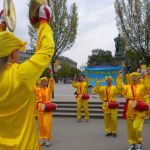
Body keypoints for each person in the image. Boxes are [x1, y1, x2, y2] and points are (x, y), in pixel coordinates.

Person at [0, 5, 54, 150]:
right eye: (18, 51)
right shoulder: (21, 74)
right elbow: (47, 50)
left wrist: (1, 26)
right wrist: (43, 23)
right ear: (12, 54)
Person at [116, 72, 150, 150]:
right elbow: (120, 87)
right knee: (130, 128)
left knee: (136, 127)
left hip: (140, 108)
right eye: (132, 77)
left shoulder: (142, 87)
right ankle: (132, 143)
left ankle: (138, 142)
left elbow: (147, 86)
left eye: (136, 77)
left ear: (138, 79)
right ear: (130, 79)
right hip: (130, 108)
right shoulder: (127, 87)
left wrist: (146, 76)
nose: (134, 78)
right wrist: (119, 77)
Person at [34, 71, 55, 147]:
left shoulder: (48, 90)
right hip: (39, 109)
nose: (43, 83)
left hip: (47, 109)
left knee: (47, 125)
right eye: (42, 82)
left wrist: (51, 77)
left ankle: (47, 139)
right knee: (41, 125)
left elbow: (51, 85)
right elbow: (33, 87)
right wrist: (34, 77)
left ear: (46, 83)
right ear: (40, 83)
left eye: (45, 81)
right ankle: (42, 139)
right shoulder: (38, 90)